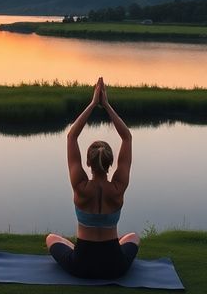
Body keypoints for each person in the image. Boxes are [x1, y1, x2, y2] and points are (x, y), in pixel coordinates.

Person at [45, 77, 139, 279]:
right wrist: (106, 105)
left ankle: (75, 248)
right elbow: (127, 137)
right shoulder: (118, 187)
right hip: (115, 265)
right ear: (110, 163)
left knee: (51, 238)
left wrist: (92, 104)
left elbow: (71, 136)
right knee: (133, 237)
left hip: (81, 265)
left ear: (87, 163)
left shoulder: (80, 186)